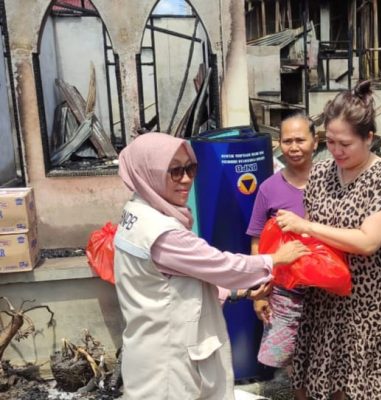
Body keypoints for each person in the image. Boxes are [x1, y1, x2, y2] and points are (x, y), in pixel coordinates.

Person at [113, 132, 309, 400]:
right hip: (169, 362)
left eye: (191, 168)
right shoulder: (163, 233)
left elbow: (176, 281)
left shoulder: (136, 214)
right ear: (148, 172)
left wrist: (241, 293)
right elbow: (221, 265)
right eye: (175, 171)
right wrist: (274, 259)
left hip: (150, 347)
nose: (186, 179)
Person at [275, 80, 381, 400]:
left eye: (345, 144)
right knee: (310, 387)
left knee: (354, 390)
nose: (336, 150)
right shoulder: (320, 174)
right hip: (322, 303)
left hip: (365, 309)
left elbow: (366, 241)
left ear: (369, 139)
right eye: (330, 142)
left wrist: (307, 227)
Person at [245, 111, 317, 370]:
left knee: (330, 363)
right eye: (287, 141)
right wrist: (259, 293)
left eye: (300, 140)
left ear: (315, 142)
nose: (294, 148)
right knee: (292, 363)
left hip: (327, 292)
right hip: (286, 293)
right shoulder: (268, 188)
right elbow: (257, 244)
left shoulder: (332, 182)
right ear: (279, 144)